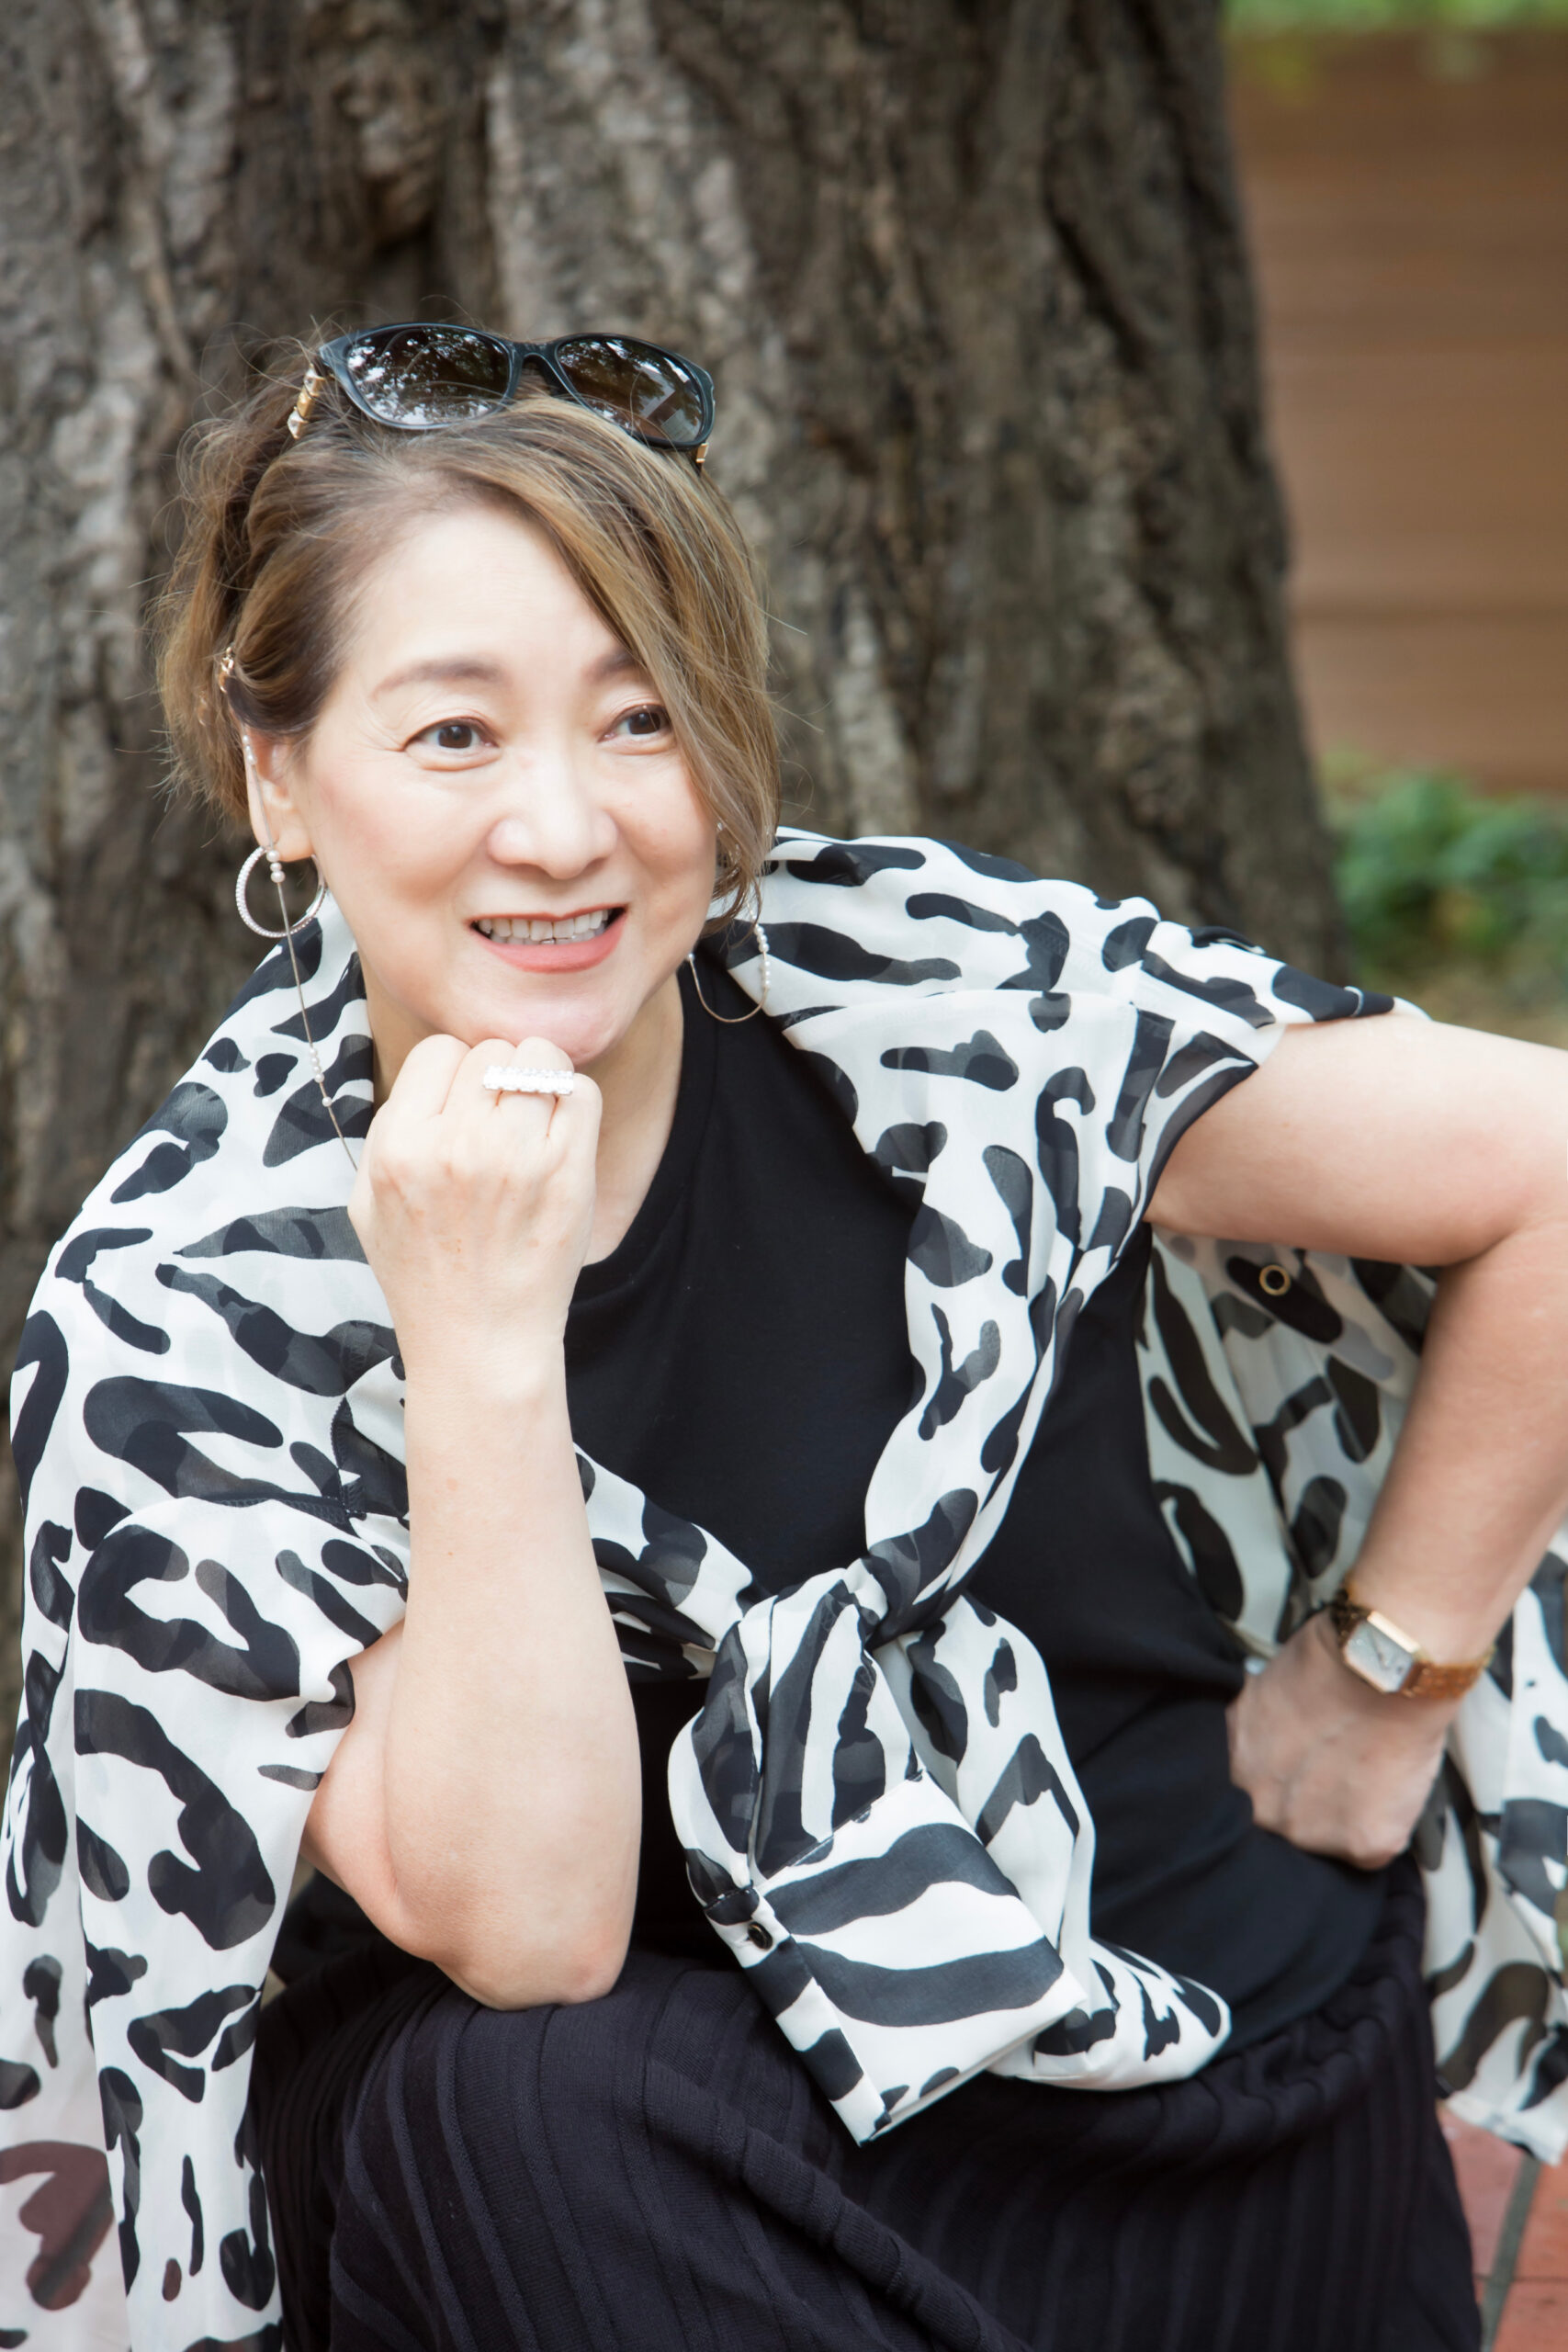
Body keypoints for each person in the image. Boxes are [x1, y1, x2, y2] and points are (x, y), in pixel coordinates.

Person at [1, 322, 1565, 2352]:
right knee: (493, 2106)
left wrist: (1383, 1680)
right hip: (693, 2185)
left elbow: (1547, 1167)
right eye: (454, 733)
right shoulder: (190, 1312)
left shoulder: (937, 1009)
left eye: (641, 719)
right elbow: (534, 1930)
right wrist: (477, 1338)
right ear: (274, 772)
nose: (563, 827)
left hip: (1197, 2083)